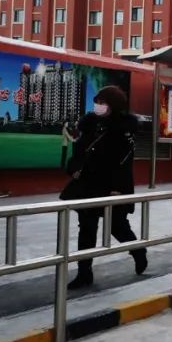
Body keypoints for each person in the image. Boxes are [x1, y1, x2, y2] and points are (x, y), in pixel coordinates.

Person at [59, 85, 146, 289]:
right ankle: (84, 272)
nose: (98, 106)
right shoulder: (89, 124)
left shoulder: (124, 128)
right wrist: (74, 169)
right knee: (86, 229)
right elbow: (78, 151)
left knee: (118, 226)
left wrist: (118, 187)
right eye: (97, 102)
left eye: (102, 102)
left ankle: (138, 252)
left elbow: (124, 160)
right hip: (88, 184)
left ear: (113, 105)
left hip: (112, 184)